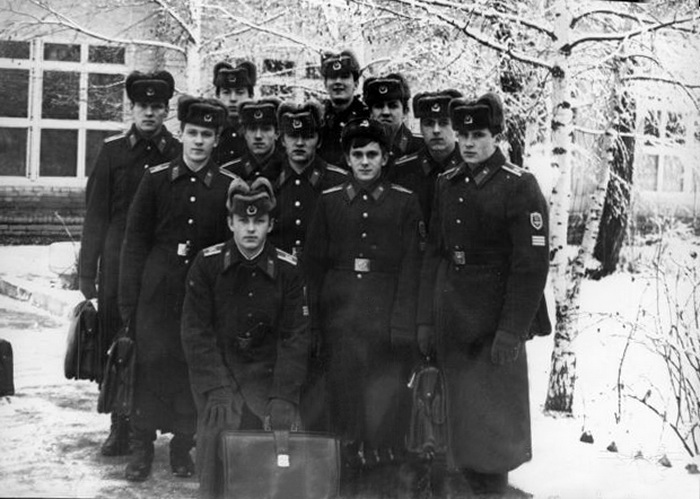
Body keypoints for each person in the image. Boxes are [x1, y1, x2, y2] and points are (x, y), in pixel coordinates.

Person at [416, 93, 550, 496]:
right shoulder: (447, 182)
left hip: (494, 325)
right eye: (463, 135)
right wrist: (426, 320)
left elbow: (530, 267)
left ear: (496, 135)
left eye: (478, 135)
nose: (469, 143)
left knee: (493, 434)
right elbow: (435, 253)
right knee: (455, 427)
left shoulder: (519, 185)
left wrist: (511, 331)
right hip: (454, 319)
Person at [119, 96, 237, 482]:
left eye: (207, 134)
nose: (199, 141)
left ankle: (182, 446)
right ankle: (140, 448)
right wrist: (128, 302)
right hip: (156, 293)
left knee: (191, 369)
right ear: (181, 133)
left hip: (200, 297)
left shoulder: (227, 186)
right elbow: (134, 243)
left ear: (217, 139)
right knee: (149, 367)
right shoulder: (155, 179)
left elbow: (229, 248)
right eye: (192, 133)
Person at [304, 118, 423, 496]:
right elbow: (313, 267)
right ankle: (347, 460)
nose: (366, 161)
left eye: (373, 154)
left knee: (383, 394)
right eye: (358, 154)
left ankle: (381, 466)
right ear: (348, 158)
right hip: (340, 316)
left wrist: (401, 325)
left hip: (384, 316)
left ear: (385, 158)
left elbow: (411, 268)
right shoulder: (329, 201)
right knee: (343, 391)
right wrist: (315, 324)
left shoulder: (404, 202)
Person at [181, 177, 310, 499]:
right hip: (220, 381)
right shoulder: (207, 265)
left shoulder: (289, 270)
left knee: (275, 470)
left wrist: (284, 395)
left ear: (270, 225)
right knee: (217, 461)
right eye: (243, 221)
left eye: (259, 221)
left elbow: (296, 336)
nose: (251, 229)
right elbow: (196, 332)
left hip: (269, 383)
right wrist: (216, 388)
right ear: (230, 223)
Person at [78, 70, 180, 457]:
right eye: (142, 106)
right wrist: (87, 271)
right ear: (132, 108)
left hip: (160, 267)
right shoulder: (113, 152)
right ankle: (119, 426)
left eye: (157, 106)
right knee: (117, 345)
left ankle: (158, 426)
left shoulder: (177, 152)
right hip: (118, 264)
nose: (149, 113)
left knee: (158, 346)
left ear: (167, 110)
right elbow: (95, 215)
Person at [265, 100, 348, 259]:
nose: (299, 143)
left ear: (319, 141)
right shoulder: (269, 181)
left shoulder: (339, 181)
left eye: (307, 136)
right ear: (282, 140)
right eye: (292, 136)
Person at [390, 90, 463, 228]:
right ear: (421, 128)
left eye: (444, 123)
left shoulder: (470, 166)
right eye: (429, 123)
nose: (436, 130)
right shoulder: (402, 170)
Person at [317, 50, 369, 168]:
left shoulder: (367, 118)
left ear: (356, 83)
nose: (338, 82)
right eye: (333, 77)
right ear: (325, 84)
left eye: (344, 77)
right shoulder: (318, 120)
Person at [363, 73, 423, 167]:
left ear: (405, 112)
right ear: (370, 113)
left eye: (393, 106)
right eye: (379, 106)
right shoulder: (360, 150)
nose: (385, 112)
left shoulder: (422, 149)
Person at [221, 98, 284, 180]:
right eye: (252, 129)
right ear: (245, 133)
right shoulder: (227, 173)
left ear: (277, 133)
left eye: (265, 129)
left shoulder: (289, 169)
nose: (258, 136)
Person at [211, 61, 256, 165]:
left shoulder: (259, 132)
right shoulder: (210, 131)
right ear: (218, 96)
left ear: (250, 96)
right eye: (226, 92)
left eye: (240, 92)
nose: (233, 99)